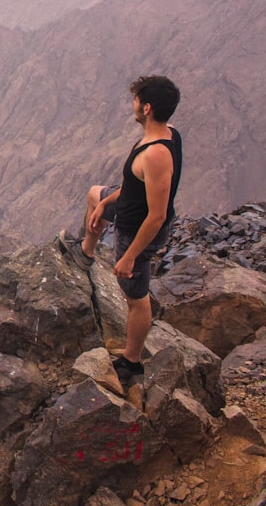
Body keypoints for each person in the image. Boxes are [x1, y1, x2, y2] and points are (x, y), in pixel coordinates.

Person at [57, 75, 182, 384]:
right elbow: (132, 187)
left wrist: (129, 257)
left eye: (136, 100)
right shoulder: (165, 135)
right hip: (127, 209)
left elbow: (156, 216)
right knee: (93, 194)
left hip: (136, 232)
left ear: (147, 107)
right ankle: (86, 253)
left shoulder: (155, 155)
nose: (133, 105)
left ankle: (132, 363)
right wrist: (104, 203)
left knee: (136, 300)